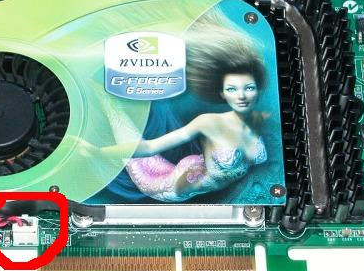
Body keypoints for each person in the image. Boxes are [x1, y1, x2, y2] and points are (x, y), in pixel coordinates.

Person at [94, 22, 271, 202]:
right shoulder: (209, 122)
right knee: (117, 117)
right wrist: (98, 152)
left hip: (196, 172)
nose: (241, 96)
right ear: (222, 94)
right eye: (232, 89)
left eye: (249, 88)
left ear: (257, 89)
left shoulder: (258, 118)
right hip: (167, 184)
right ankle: (101, 92)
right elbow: (149, 148)